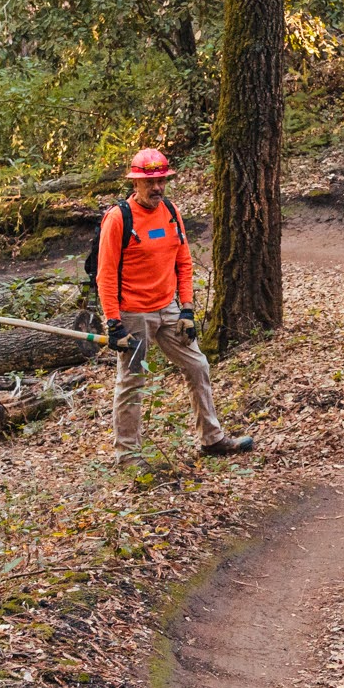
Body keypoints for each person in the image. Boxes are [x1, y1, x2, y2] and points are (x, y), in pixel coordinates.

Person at [97, 148, 252, 459]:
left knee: (197, 365)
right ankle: (127, 454)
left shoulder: (170, 211)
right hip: (134, 316)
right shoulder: (119, 219)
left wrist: (187, 308)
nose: (157, 187)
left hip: (168, 310)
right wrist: (114, 323)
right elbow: (105, 274)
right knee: (133, 379)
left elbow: (183, 261)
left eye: (161, 181)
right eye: (150, 182)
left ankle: (211, 438)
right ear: (135, 183)